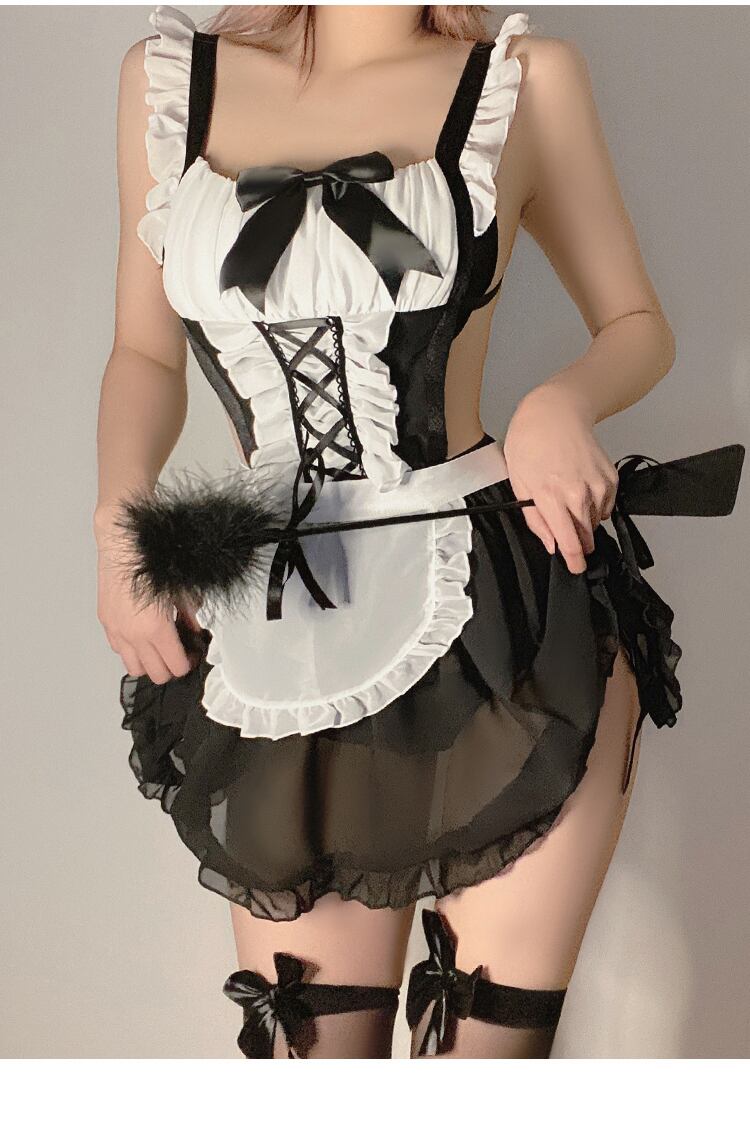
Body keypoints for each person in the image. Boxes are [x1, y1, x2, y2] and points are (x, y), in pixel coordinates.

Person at [94, 4, 697, 1059]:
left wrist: (560, 404)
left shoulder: (526, 81)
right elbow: (144, 353)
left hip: (504, 619)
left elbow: (637, 324)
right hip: (279, 640)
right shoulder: (166, 83)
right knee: (313, 1064)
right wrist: (117, 523)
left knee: (483, 1065)